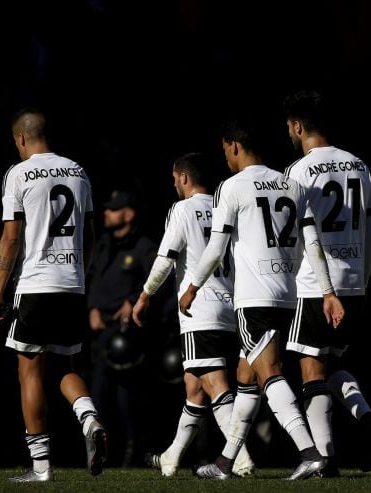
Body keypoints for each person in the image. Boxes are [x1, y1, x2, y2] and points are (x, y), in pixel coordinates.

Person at [179, 115, 345, 480]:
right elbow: (312, 243)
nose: (225, 158)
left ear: (235, 147)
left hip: (253, 298)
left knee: (269, 373)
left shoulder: (232, 187)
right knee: (246, 376)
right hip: (289, 295)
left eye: (226, 151)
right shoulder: (291, 184)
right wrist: (328, 292)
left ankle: (308, 451)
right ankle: (226, 462)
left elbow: (215, 248)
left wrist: (192, 286)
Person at [0, 108, 107, 482]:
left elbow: (11, 237)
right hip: (71, 284)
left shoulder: (19, 173)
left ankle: (41, 467)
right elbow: (88, 236)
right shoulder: (78, 171)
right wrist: (78, 276)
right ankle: (88, 416)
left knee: (30, 372)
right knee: (66, 367)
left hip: (35, 284)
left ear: (20, 138)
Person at [132, 152, 256, 477]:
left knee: (215, 383)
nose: (174, 184)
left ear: (184, 178)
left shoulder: (182, 209)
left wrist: (145, 295)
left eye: (175, 178)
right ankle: (171, 457)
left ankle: (239, 458)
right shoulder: (225, 207)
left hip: (198, 307)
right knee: (194, 386)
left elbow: (165, 258)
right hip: (230, 304)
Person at [282, 89, 371, 475]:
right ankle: (366, 415)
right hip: (355, 281)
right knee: (333, 362)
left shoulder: (299, 171)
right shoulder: (358, 165)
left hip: (316, 285)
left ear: (297, 125)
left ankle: (324, 456)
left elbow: (298, 235)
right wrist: (363, 279)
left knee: (311, 368)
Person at [86, 190, 158, 466]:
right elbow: (92, 280)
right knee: (99, 397)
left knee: (127, 400)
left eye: (113, 209)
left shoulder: (143, 246)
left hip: (127, 336)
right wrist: (92, 308)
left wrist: (132, 302)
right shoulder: (104, 245)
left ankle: (131, 455)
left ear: (128, 214)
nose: (106, 213)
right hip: (100, 333)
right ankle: (103, 456)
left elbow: (155, 280)